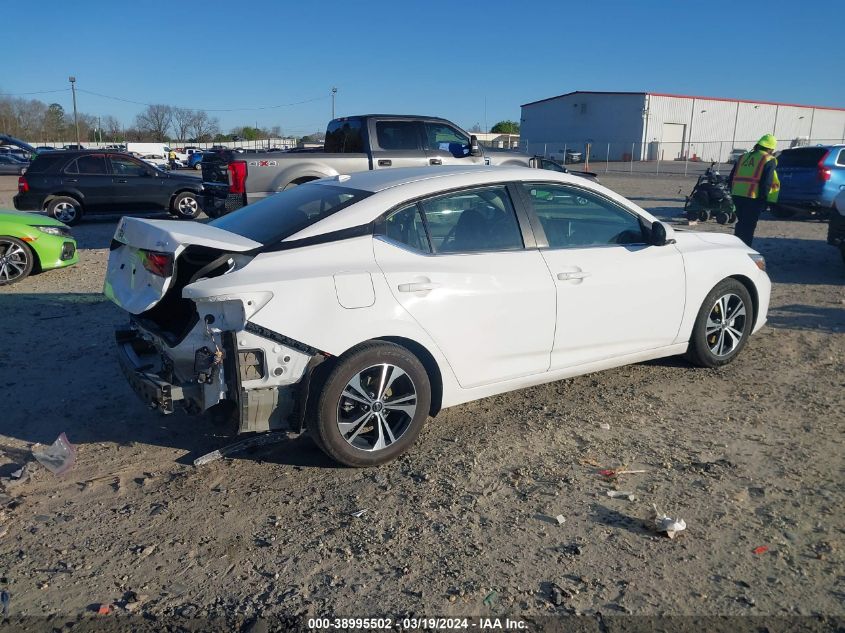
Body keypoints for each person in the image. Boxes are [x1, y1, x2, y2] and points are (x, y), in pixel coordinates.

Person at [728, 134, 780, 246]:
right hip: (753, 197)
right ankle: (744, 250)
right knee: (749, 226)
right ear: (771, 148)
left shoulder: (743, 157)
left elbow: (731, 177)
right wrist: (765, 199)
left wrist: (731, 192)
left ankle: (736, 247)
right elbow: (766, 182)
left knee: (741, 223)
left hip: (737, 195)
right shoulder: (769, 159)